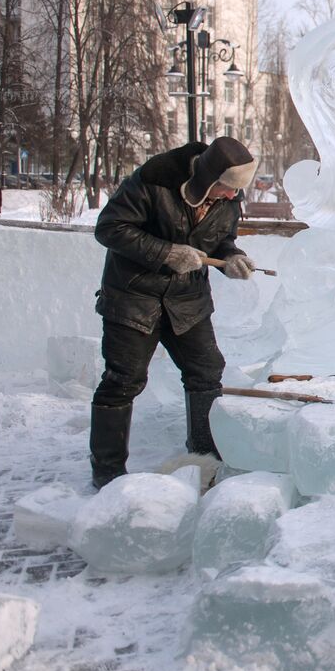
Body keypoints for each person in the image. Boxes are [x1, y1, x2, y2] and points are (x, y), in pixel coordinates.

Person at [89, 137, 259, 489]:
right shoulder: (154, 181)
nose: (232, 197)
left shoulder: (229, 195)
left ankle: (204, 459)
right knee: (122, 381)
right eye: (227, 189)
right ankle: (107, 472)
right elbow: (109, 228)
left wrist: (231, 257)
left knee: (206, 372)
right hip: (134, 297)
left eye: (235, 192)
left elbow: (221, 239)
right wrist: (165, 253)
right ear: (207, 179)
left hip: (187, 300)